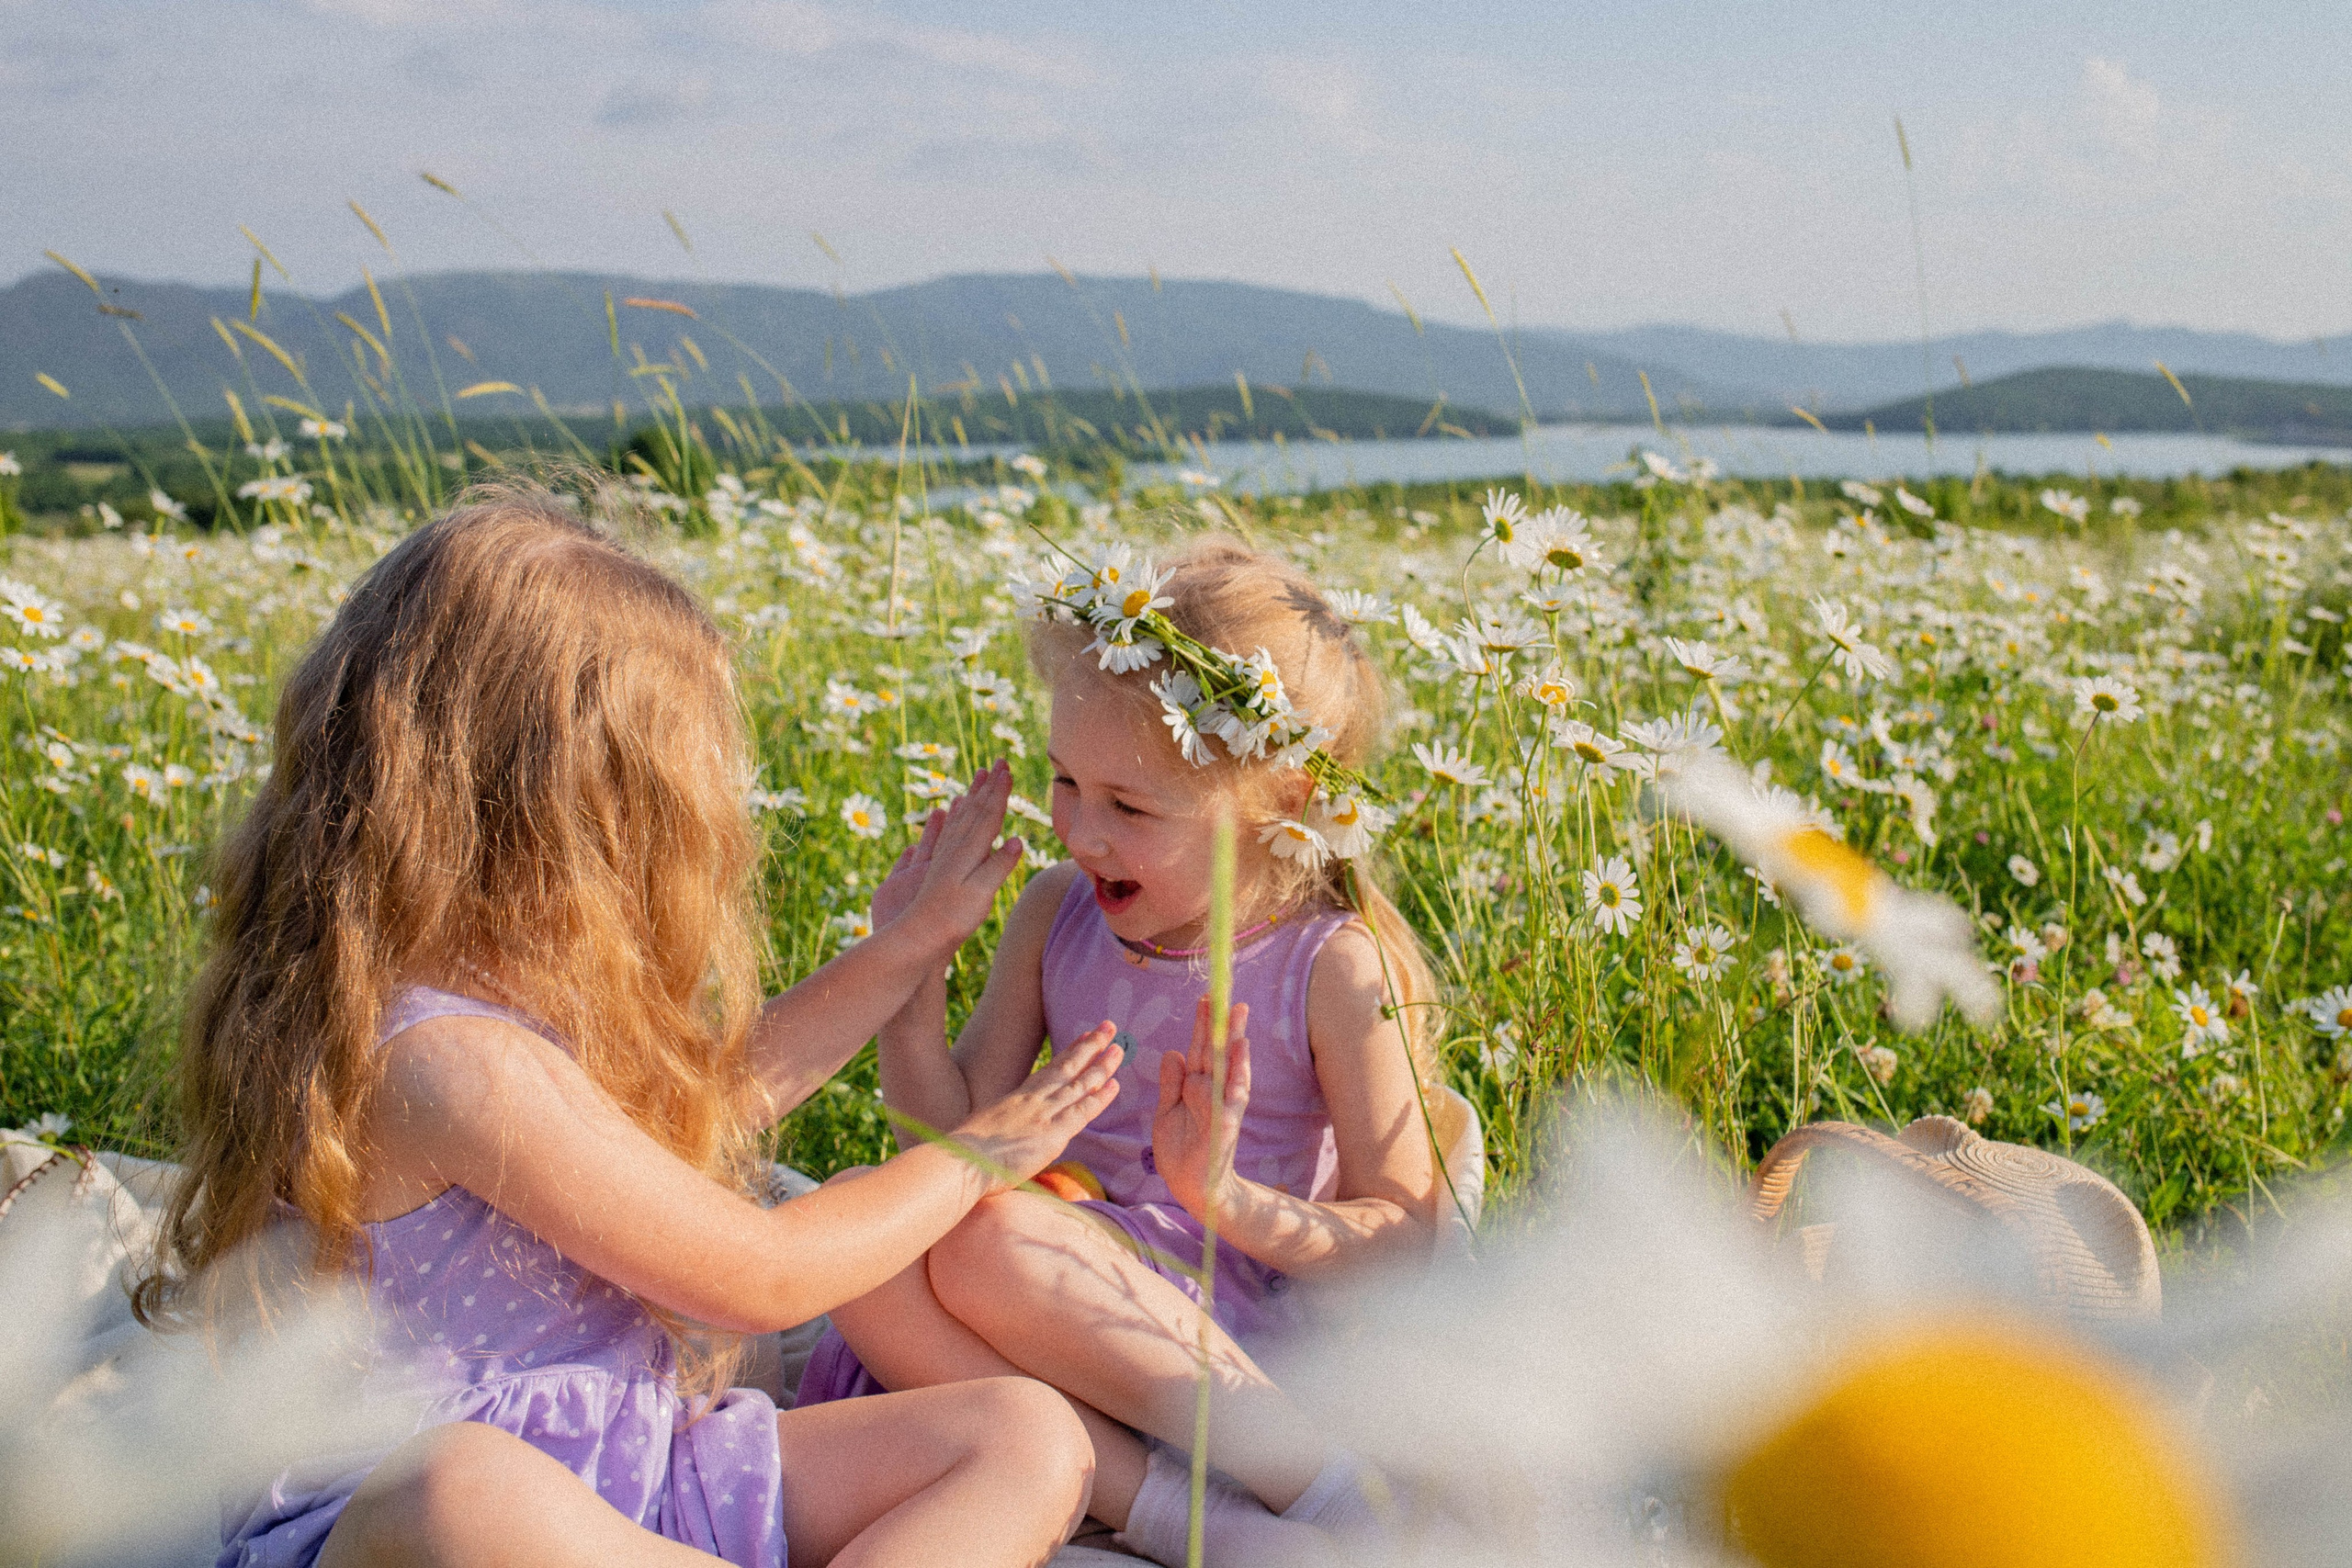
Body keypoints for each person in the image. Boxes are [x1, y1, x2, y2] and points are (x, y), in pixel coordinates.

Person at [133, 487, 1123, 1568]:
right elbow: (764, 1275)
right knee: (462, 1491)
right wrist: (976, 1156)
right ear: (571, 816)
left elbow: (697, 1113)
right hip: (447, 1527)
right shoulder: (441, 1060)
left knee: (1023, 1435)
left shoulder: (484, 1002)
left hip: (643, 1474)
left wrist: (905, 949)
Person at [802, 536, 1450, 1566]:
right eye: (1064, 780)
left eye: (1129, 806)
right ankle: (1191, 1525)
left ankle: (1321, 1485)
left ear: (1281, 804)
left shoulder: (1330, 966)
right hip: (1036, 1305)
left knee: (982, 1238)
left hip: (1216, 1350)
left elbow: (1408, 1237)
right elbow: (945, 1147)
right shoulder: (1054, 913)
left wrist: (1226, 1198)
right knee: (851, 1225)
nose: (1079, 832)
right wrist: (910, 984)